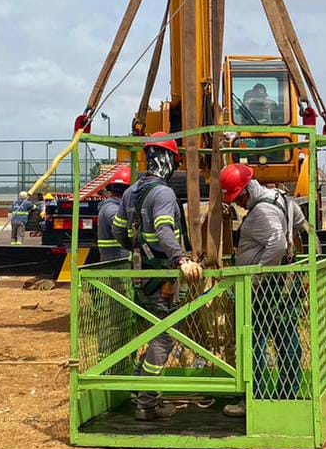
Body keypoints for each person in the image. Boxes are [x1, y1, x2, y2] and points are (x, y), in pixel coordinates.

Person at [114, 133, 204, 421]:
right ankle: (147, 401)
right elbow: (165, 230)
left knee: (153, 333)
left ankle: (141, 390)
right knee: (164, 337)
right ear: (168, 161)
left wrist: (138, 249)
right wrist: (180, 259)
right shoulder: (163, 193)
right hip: (161, 277)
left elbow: (119, 230)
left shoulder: (131, 192)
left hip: (141, 275)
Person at [217, 162, 307, 416]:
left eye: (239, 198)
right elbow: (300, 225)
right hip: (285, 283)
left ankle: (254, 400)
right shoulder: (283, 199)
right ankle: (287, 396)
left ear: (247, 189)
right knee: (287, 338)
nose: (239, 204)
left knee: (254, 340)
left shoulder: (261, 212)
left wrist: (257, 278)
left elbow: (277, 245)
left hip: (265, 288)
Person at [95, 164, 132, 263]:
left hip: (117, 261)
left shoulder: (114, 206)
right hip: (117, 261)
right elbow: (122, 227)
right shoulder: (112, 208)